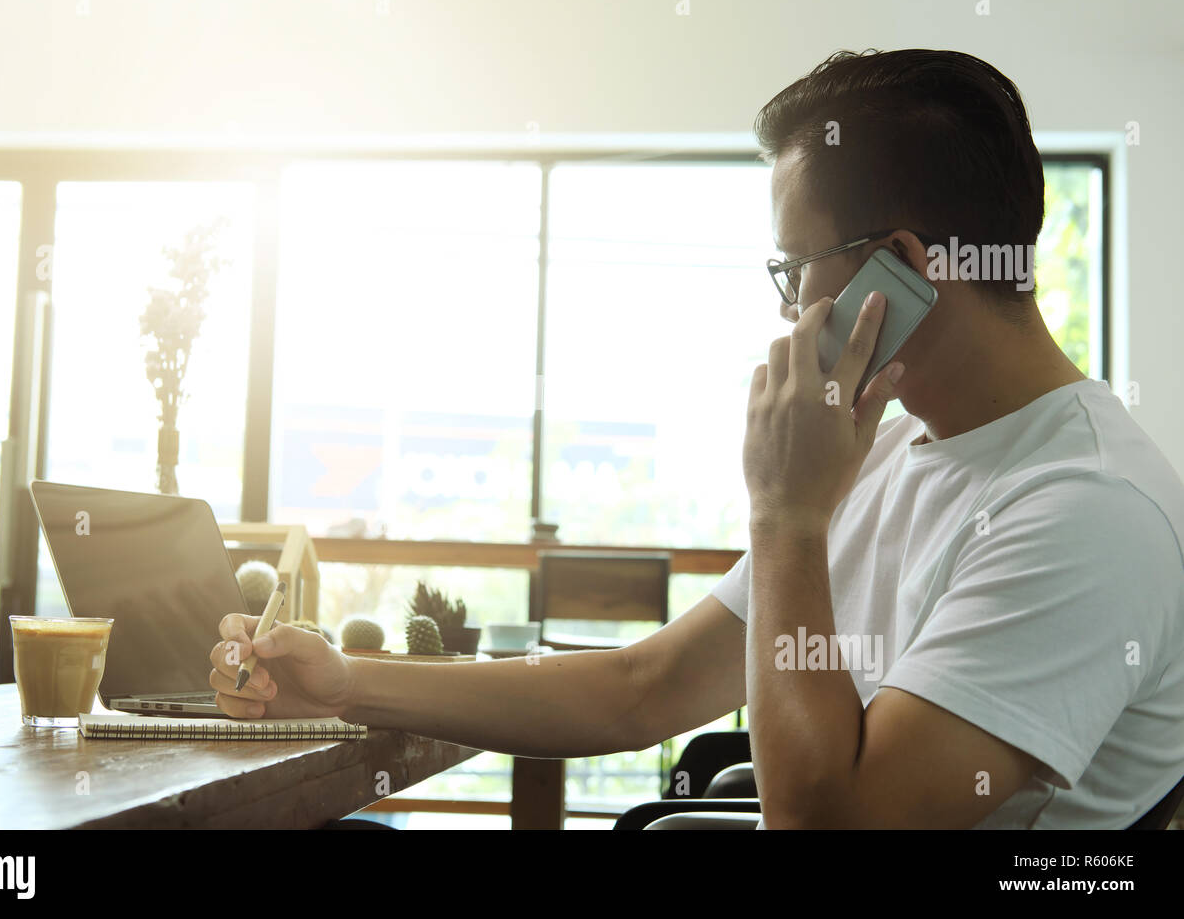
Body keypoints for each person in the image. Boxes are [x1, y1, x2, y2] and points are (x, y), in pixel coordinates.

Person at [208, 49, 1184, 828]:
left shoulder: (1084, 510)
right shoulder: (889, 453)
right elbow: (646, 685)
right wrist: (345, 682)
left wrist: (787, 516)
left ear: (900, 269)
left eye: (793, 267)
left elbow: (823, 824)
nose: (789, 305)